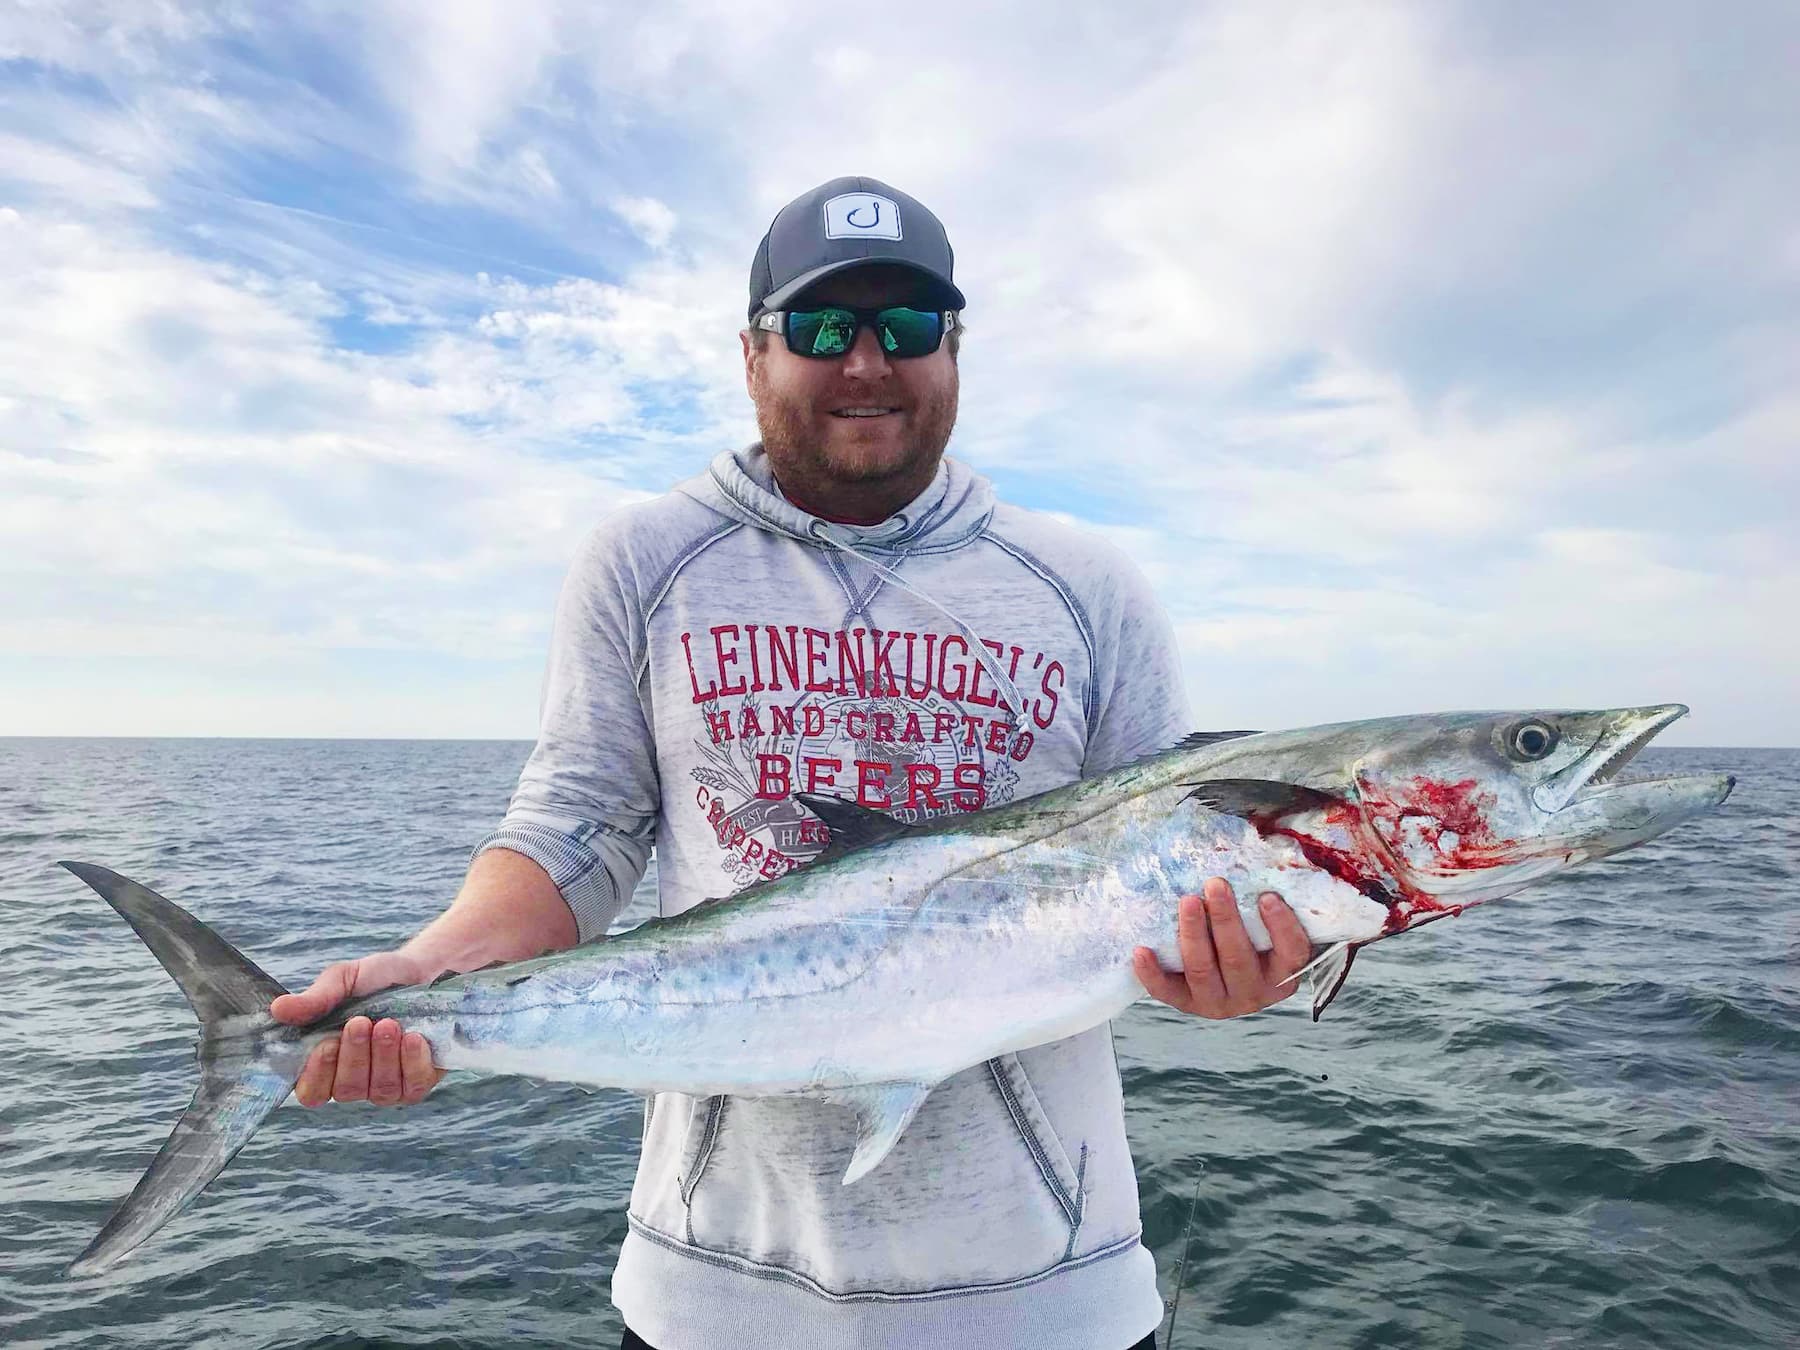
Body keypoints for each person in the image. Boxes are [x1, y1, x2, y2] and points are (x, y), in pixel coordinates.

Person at [272, 176, 1312, 1350]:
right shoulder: (645, 558)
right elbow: (580, 829)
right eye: (821, 328)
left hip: (1052, 1295)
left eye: (907, 327)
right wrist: (425, 972)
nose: (866, 362)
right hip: (712, 1295)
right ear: (753, 354)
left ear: (955, 349)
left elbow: (1176, 863)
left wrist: (1264, 968)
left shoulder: (1089, 585)